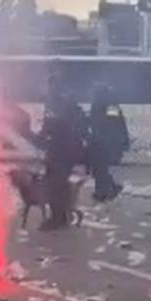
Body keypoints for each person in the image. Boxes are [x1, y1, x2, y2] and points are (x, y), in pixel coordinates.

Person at [37, 71, 87, 231]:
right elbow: (48, 125)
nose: (49, 89)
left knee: (54, 183)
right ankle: (61, 215)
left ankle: (57, 218)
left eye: (52, 86)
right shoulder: (54, 102)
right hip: (60, 148)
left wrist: (44, 135)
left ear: (57, 87)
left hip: (64, 149)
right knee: (57, 182)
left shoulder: (63, 103)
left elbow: (57, 125)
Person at [85, 85, 126, 202]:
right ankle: (110, 188)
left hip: (105, 141)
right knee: (99, 168)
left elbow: (114, 122)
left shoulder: (109, 104)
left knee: (100, 167)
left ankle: (103, 191)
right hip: (99, 140)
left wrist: (111, 141)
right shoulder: (99, 103)